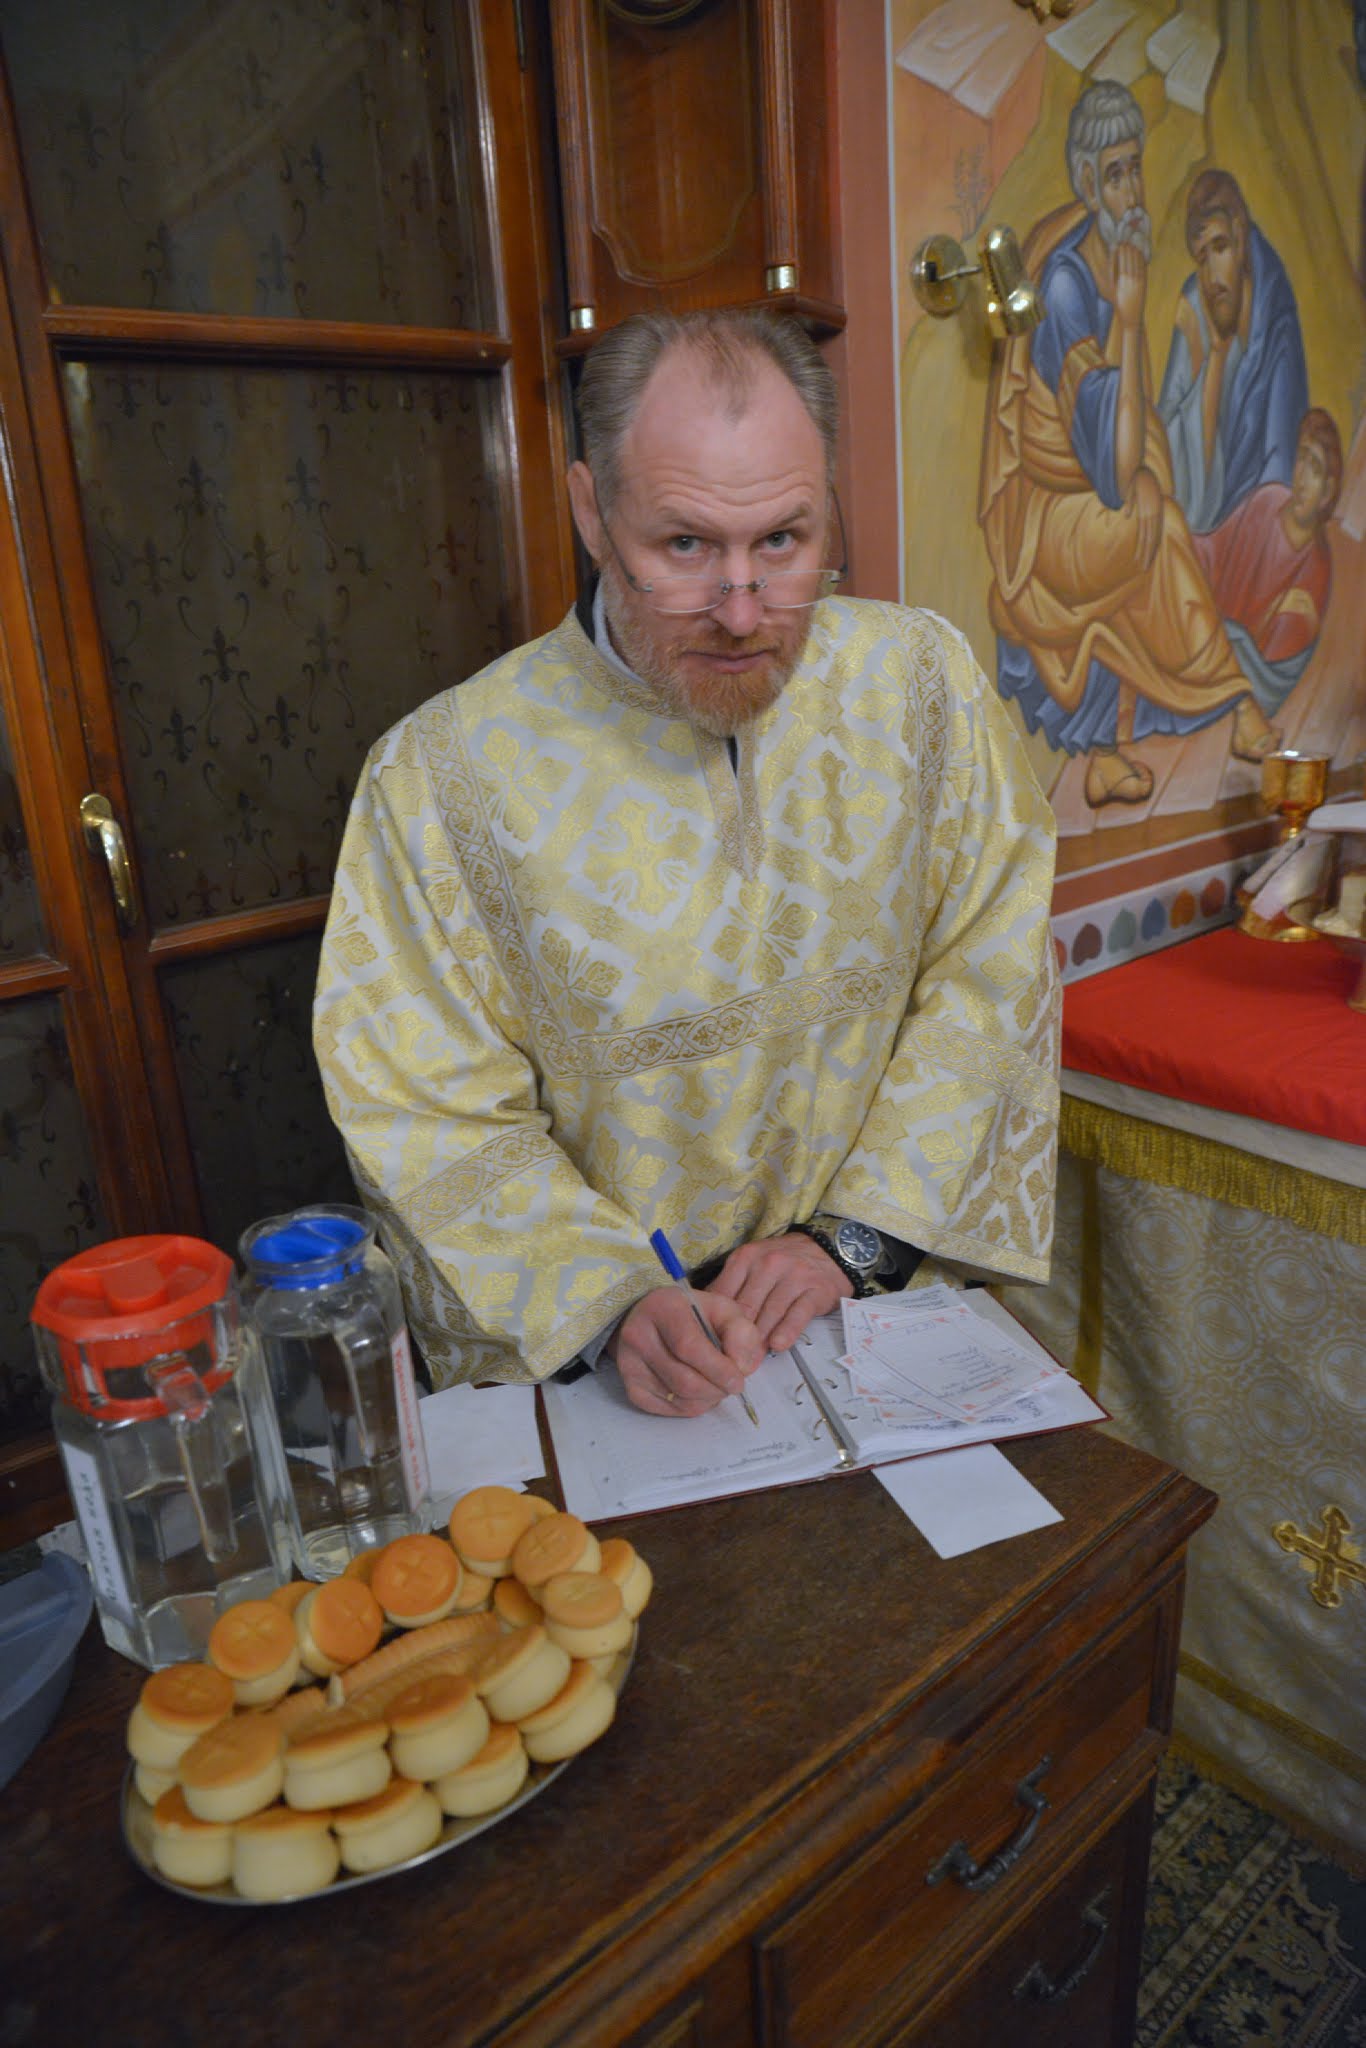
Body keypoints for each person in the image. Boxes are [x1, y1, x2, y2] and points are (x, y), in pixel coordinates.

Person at [314, 309, 1060, 1420]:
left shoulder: (922, 686)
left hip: (883, 1309)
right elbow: (421, 1104)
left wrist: (853, 1240)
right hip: (628, 1376)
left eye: (784, 541)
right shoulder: (440, 774)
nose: (743, 612)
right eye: (686, 547)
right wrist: (609, 1299)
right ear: (591, 511)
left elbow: (993, 966)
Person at [980, 81, 1281, 811]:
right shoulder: (1067, 290)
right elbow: (1113, 473)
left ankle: (1109, 754)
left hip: (1089, 502)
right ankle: (1234, 702)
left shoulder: (1112, 263)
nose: (1132, 192)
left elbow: (1133, 439)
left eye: (1135, 168)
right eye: (1114, 175)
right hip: (1047, 524)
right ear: (1087, 184)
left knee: (1151, 516)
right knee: (1152, 517)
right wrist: (1134, 317)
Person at [1158, 170, 1308, 535]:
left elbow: (1278, 475)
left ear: (1240, 237)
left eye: (1220, 247)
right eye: (1201, 257)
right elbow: (1163, 455)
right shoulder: (1196, 303)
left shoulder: (1276, 325)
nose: (1211, 275)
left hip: (1252, 533)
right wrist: (1214, 357)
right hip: (1195, 533)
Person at [1192, 407, 1340, 717]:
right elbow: (1213, 552)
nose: (1301, 477)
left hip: (1233, 679)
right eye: (1301, 458)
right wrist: (1177, 539)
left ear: (1327, 492)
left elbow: (1269, 675)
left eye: (1314, 468)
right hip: (1206, 633)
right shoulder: (1267, 500)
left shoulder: (1315, 574)